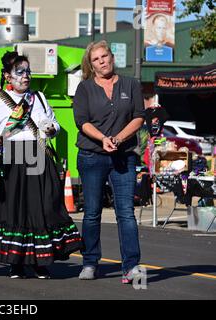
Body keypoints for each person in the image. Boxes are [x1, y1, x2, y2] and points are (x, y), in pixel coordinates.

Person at [0, 51, 83, 279]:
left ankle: (41, 261)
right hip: (12, 161)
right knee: (16, 211)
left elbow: (54, 125)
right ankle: (16, 262)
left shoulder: (38, 98)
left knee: (42, 209)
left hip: (39, 157)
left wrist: (52, 129)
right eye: (20, 72)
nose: (25, 76)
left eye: (28, 72)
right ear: (7, 76)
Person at [73, 40, 145, 284]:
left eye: (105, 56)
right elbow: (81, 121)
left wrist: (118, 138)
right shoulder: (84, 88)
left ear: (112, 57)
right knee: (92, 212)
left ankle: (132, 266)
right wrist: (104, 139)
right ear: (91, 65)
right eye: (96, 59)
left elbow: (139, 116)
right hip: (92, 156)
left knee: (125, 212)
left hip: (123, 156)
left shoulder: (131, 84)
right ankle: (90, 262)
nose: (102, 61)